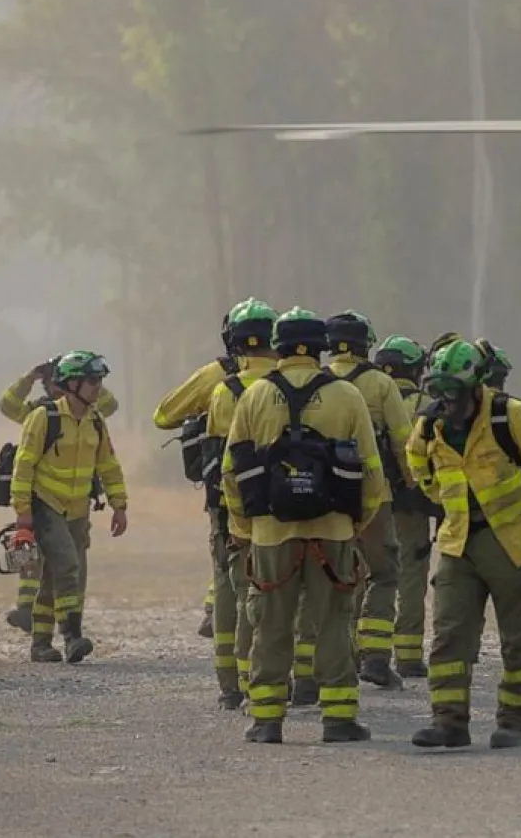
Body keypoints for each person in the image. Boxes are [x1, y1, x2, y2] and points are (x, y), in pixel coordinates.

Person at [221, 307, 388, 745]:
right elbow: (373, 473)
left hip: (270, 535)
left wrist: (244, 527)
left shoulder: (253, 396)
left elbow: (230, 470)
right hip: (333, 532)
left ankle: (267, 721)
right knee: (334, 623)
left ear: (279, 346)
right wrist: (355, 522)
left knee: (270, 627)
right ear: (321, 348)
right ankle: (338, 720)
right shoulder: (347, 396)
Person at [405, 340, 521, 749]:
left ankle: (514, 723)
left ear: (475, 386)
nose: (447, 402)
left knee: (516, 639)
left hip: (512, 544)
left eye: (454, 393)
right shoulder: (429, 426)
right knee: (448, 635)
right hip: (458, 543)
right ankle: (448, 722)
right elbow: (419, 467)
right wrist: (443, 500)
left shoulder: (510, 416)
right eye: (440, 392)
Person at [10, 350, 129, 664]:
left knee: (54, 577)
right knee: (67, 567)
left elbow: (109, 466)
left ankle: (40, 644)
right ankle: (73, 637)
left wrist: (119, 505)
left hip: (78, 511)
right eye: (91, 380)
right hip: (45, 506)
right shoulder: (43, 418)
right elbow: (23, 468)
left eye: (100, 379)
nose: (98, 386)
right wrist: (23, 514)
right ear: (72, 383)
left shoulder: (95, 421)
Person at [154, 305, 253, 640]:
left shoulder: (215, 376)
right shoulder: (286, 374)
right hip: (279, 488)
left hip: (223, 487)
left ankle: (223, 627)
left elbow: (164, 416)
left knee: (226, 561)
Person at [326, 310, 412, 690]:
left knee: (336, 576)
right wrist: (414, 482)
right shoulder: (380, 383)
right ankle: (375, 657)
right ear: (366, 344)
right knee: (383, 572)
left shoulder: (318, 382)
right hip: (376, 495)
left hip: (325, 499)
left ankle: (338, 657)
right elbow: (403, 439)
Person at [201, 299, 279, 710]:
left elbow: (167, 416)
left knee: (231, 589)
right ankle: (288, 678)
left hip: (231, 506)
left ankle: (230, 684)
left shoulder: (223, 389)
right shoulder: (294, 384)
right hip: (287, 505)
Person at [373, 335, 437, 678]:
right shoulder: (425, 403)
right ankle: (408, 656)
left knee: (369, 576)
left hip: (368, 502)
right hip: (411, 504)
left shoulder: (364, 394)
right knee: (411, 574)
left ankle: (365, 651)